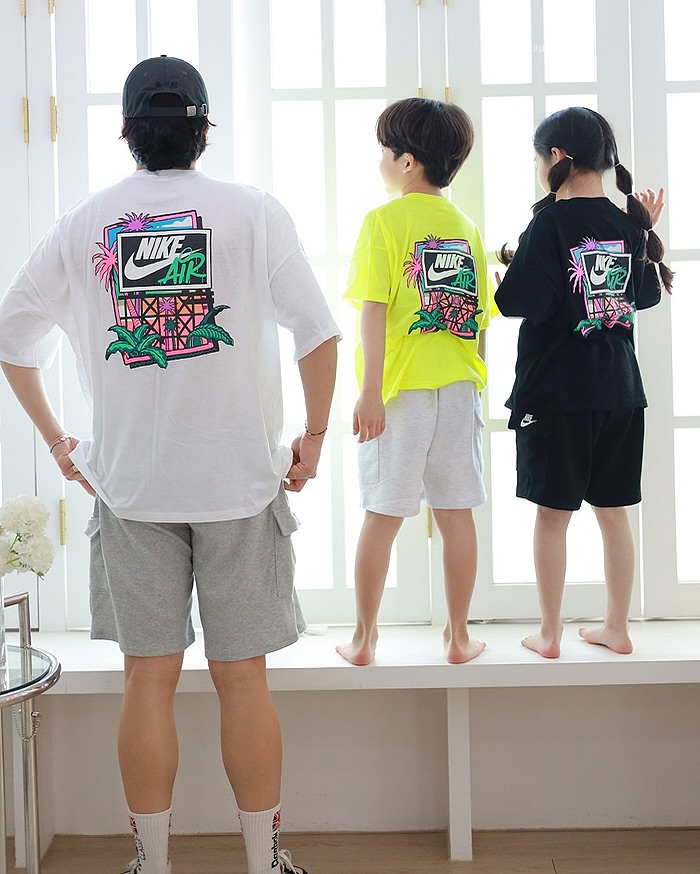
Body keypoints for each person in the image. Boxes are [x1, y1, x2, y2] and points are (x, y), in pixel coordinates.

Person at [0, 56, 340, 874]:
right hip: (239, 484)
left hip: (131, 490)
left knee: (145, 682)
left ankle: (151, 866)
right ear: (204, 130)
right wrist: (315, 436)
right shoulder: (252, 212)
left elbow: (11, 335)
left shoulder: (85, 222)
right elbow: (319, 331)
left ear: (127, 131)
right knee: (243, 681)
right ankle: (263, 863)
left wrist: (59, 443)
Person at [494, 106, 672, 660]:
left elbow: (517, 302)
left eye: (537, 158)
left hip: (557, 394)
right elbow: (643, 296)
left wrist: (507, 272)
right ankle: (616, 627)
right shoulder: (627, 223)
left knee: (553, 517)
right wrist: (645, 232)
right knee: (613, 513)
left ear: (557, 157)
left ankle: (549, 634)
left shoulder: (549, 223)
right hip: (620, 392)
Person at [336, 97, 491, 667]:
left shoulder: (383, 222)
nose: (380, 159)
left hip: (399, 392)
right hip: (458, 388)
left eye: (385, 149)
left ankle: (364, 639)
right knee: (456, 515)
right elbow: (479, 320)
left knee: (382, 514)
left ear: (407, 161)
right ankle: (458, 638)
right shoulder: (465, 227)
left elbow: (373, 310)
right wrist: (475, 383)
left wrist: (370, 391)